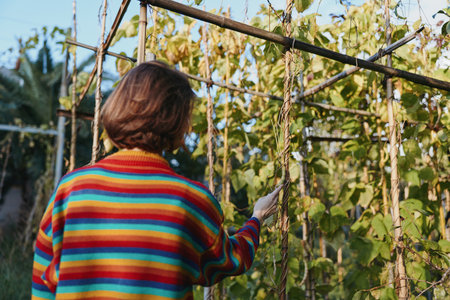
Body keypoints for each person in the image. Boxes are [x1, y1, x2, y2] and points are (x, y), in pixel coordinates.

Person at [31, 61, 282, 300]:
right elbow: (228, 260)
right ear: (178, 122)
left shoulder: (71, 189)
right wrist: (257, 218)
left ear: (117, 106)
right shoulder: (192, 200)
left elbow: (44, 280)